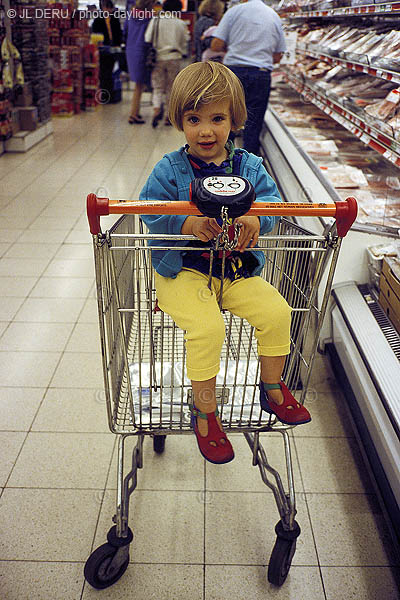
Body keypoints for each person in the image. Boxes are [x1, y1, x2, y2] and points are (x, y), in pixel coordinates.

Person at [140, 62, 311, 465]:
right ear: (179, 120)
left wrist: (257, 217)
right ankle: (205, 411)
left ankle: (272, 388)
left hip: (235, 270)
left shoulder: (249, 166)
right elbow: (149, 209)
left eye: (217, 119)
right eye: (193, 118)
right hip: (181, 270)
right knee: (207, 327)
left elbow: (270, 203)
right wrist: (185, 221)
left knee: (277, 311)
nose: (205, 131)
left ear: (235, 120)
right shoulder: (169, 169)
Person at [210, 0, 286, 155]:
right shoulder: (273, 15)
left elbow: (216, 45)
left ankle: (221, 161)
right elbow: (278, 56)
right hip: (260, 74)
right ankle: (249, 165)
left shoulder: (234, 12)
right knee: (254, 121)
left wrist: (234, 47)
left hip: (233, 73)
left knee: (226, 117)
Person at [144, 0, 189, 128]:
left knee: (157, 86)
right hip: (174, 57)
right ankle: (168, 117)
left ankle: (156, 109)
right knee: (171, 88)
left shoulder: (156, 20)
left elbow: (147, 38)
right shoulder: (180, 24)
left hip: (158, 57)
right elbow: (185, 41)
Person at [124, 0, 154, 124]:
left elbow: (125, 32)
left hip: (130, 50)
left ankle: (135, 112)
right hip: (142, 50)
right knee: (139, 86)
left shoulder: (130, 16)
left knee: (138, 84)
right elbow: (150, 36)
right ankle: (133, 114)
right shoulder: (150, 18)